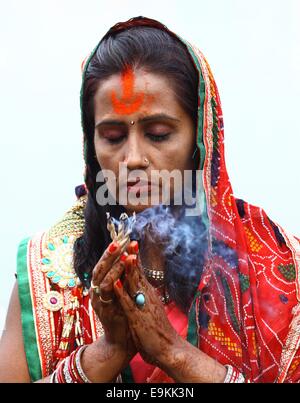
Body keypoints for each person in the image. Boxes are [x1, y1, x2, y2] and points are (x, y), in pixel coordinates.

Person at [0, 16, 299, 384]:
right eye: (111, 137)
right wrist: (104, 355)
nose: (133, 158)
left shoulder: (275, 265)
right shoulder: (48, 272)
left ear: (201, 138)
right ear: (91, 147)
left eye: (158, 134)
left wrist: (175, 354)